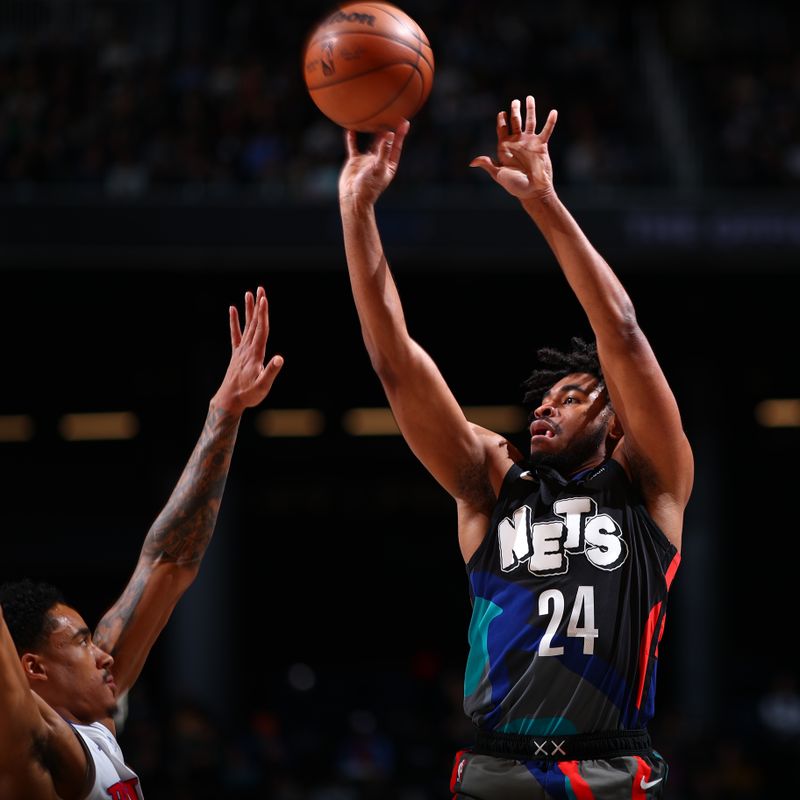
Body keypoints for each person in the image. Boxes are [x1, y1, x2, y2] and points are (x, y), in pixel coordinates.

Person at [337, 96, 694, 798]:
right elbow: (397, 365)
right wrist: (356, 211)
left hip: (611, 766)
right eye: (541, 398)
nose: (544, 405)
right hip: (496, 766)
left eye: (570, 396)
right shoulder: (491, 482)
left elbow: (619, 329)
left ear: (616, 423)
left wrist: (543, 202)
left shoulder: (650, 485)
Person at [0, 286, 284, 800]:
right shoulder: (37, 743)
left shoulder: (94, 728)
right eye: (83, 643)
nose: (103, 655)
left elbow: (170, 558)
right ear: (33, 669)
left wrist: (226, 411)